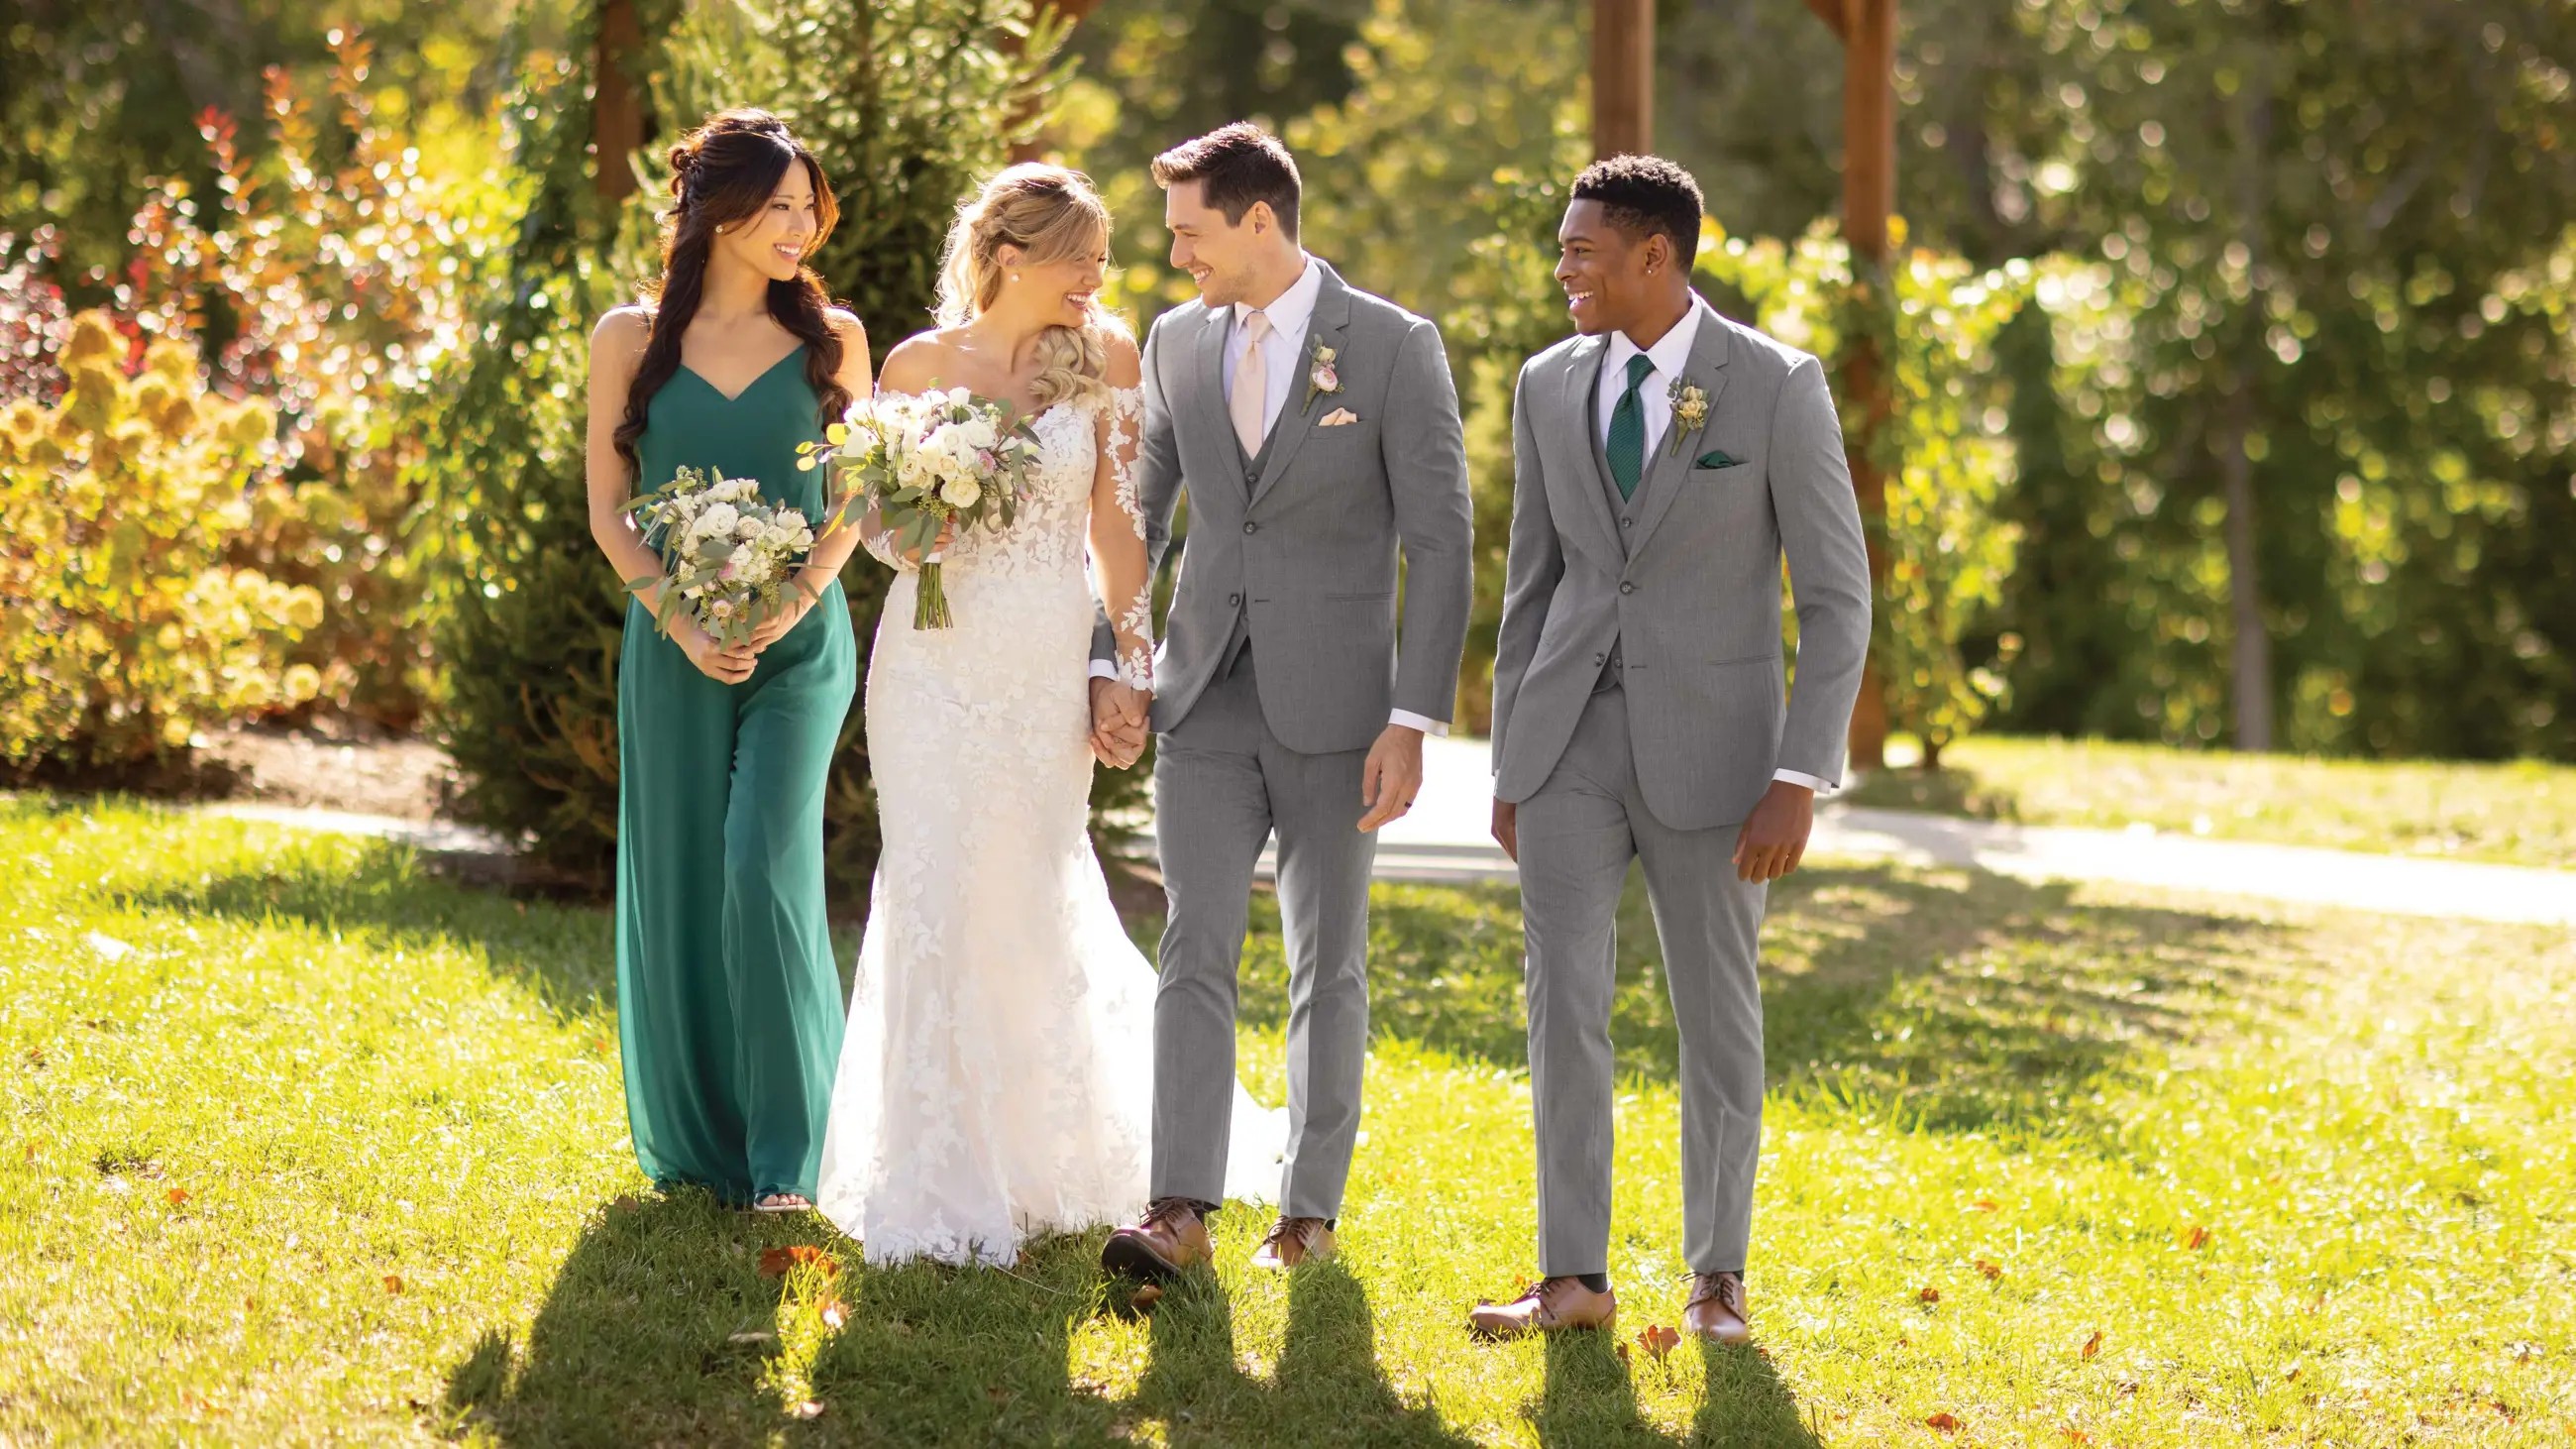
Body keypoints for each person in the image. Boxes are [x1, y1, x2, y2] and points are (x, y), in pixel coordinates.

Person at [813, 165, 1285, 1267]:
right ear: (1013, 255)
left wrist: (1124, 663)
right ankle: (934, 1167)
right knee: (932, 879)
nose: (1099, 279)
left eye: (1104, 262)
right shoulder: (916, 366)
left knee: (1025, 877)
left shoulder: (1106, 358)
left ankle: (1044, 1149)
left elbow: (1119, 530)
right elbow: (876, 523)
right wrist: (909, 529)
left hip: (1036, 664)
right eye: (1082, 259)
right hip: (927, 665)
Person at [1470, 155, 1871, 1342]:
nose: (1562, 271)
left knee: (1715, 1015)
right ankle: (1572, 1279)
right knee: (1562, 1006)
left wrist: (1797, 773)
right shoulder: (1548, 383)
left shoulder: (1774, 386)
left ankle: (1715, 1278)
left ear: (1656, 255)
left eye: (1580, 250)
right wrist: (1508, 759)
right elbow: (1529, 583)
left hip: (1720, 756)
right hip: (1563, 746)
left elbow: (1837, 600)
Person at [1091, 124, 1474, 1282]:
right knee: (1192, 943)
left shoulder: (1395, 347)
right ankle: (1179, 1208)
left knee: (1328, 962)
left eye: (1189, 232)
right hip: (1200, 699)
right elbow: (1139, 517)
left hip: (1342, 713)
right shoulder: (1173, 341)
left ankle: (1306, 1209)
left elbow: (1442, 545)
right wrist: (1115, 657)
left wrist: (1413, 720)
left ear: (1258, 219)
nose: (1176, 258)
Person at [584, 110, 870, 1212]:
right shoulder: (627, 339)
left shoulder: (830, 337)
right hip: (672, 645)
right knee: (685, 880)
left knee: (762, 861)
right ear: (720, 211)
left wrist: (793, 600)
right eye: (781, 206)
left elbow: (853, 504)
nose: (801, 226)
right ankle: (706, 1143)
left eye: (809, 206)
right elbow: (611, 516)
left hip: (800, 649)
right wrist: (684, 622)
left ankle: (791, 1161)